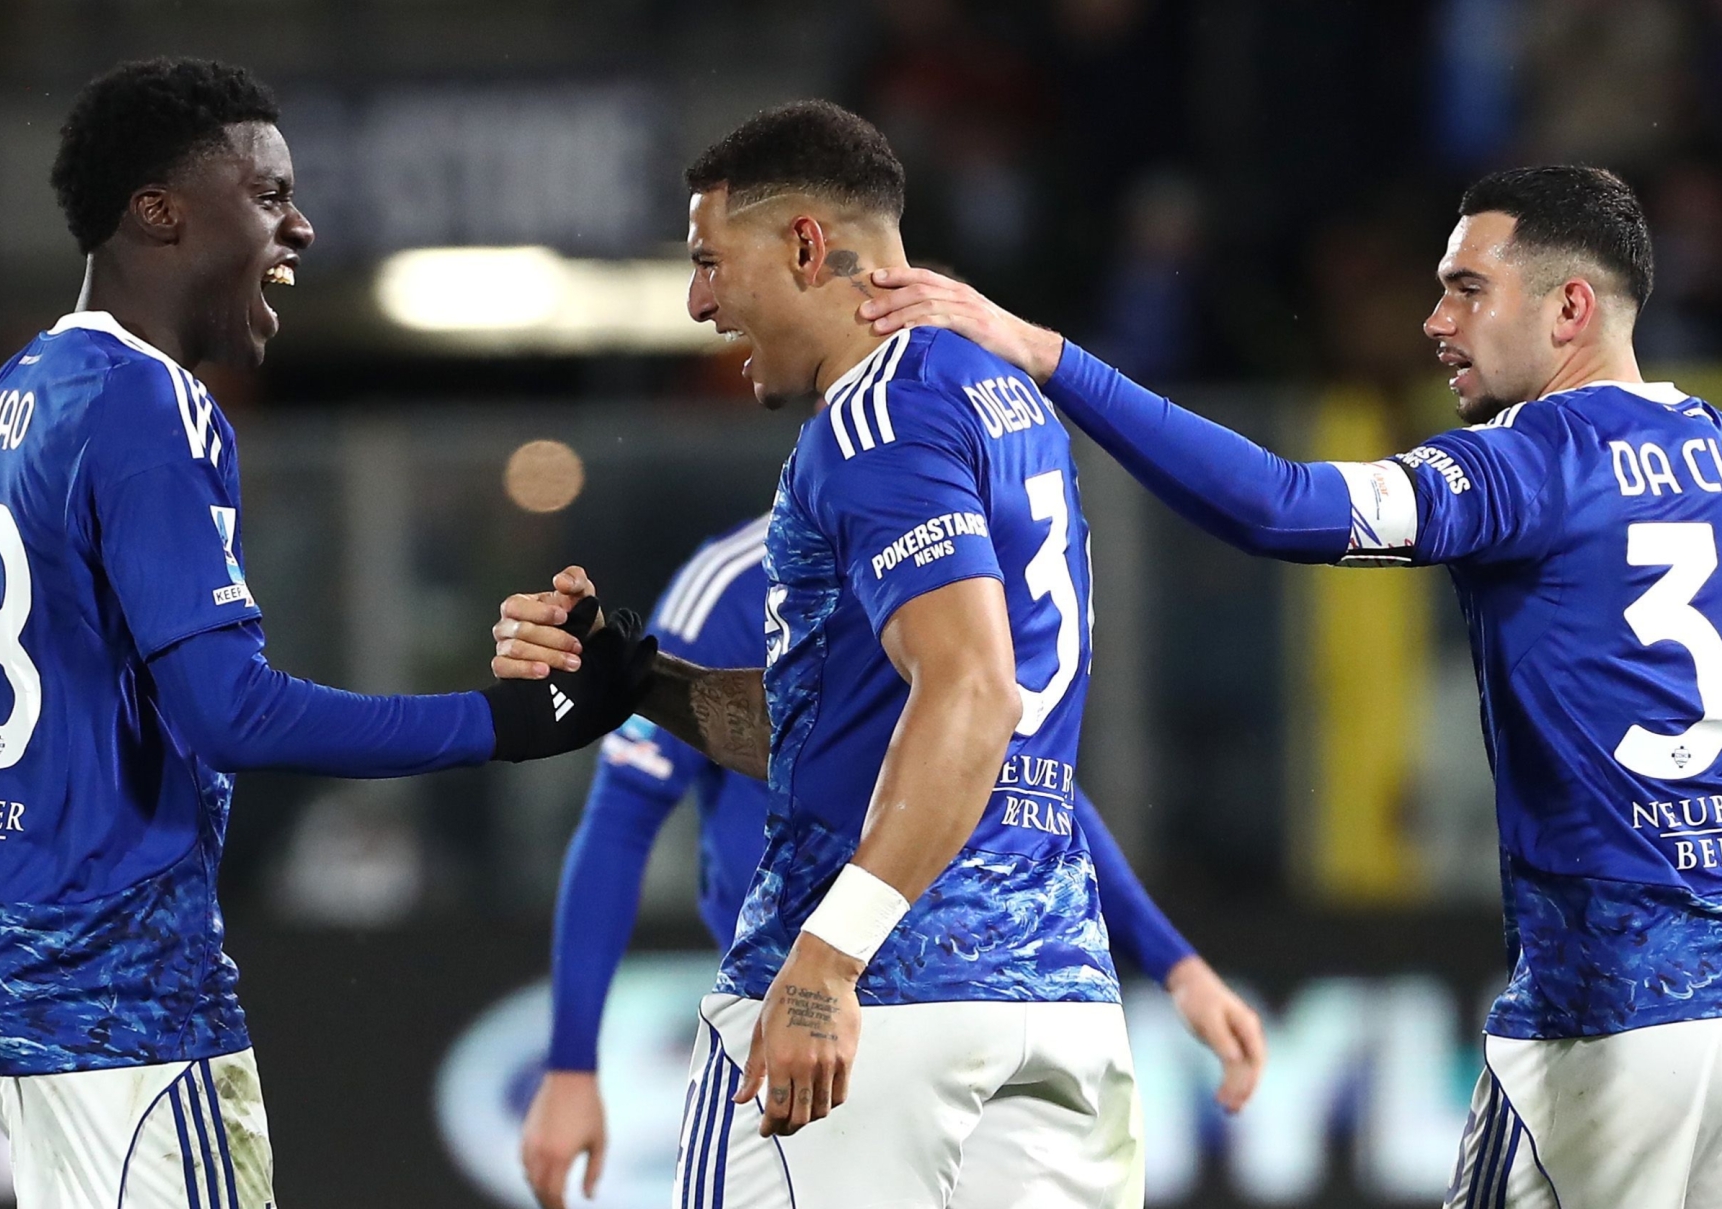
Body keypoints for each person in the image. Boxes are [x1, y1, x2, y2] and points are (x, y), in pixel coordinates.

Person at [856, 166, 1722, 1207]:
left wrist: (1048, 356)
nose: (1436, 320)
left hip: (1619, 1018)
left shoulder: (1532, 464)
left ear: (1571, 306)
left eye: (1469, 289)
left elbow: (1279, 505)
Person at [0, 58, 646, 1209]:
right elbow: (230, 710)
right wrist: (512, 721)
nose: (301, 223)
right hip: (123, 1003)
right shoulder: (148, 405)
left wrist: (7, 881)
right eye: (267, 194)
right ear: (159, 213)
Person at [494, 101, 1161, 1207]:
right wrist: (641, 680)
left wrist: (828, 957)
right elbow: (871, 726)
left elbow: (972, 688)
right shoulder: (1001, 402)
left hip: (876, 1011)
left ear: (806, 245)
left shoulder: (875, 418)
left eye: (711, 262)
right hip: (1055, 1007)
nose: (700, 301)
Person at [520, 514, 1266, 1209]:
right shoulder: (769, 579)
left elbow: (1011, 779)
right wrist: (571, 1062)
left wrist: (1177, 965)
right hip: (945, 1006)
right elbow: (1019, 773)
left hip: (830, 1010)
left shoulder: (941, 557)